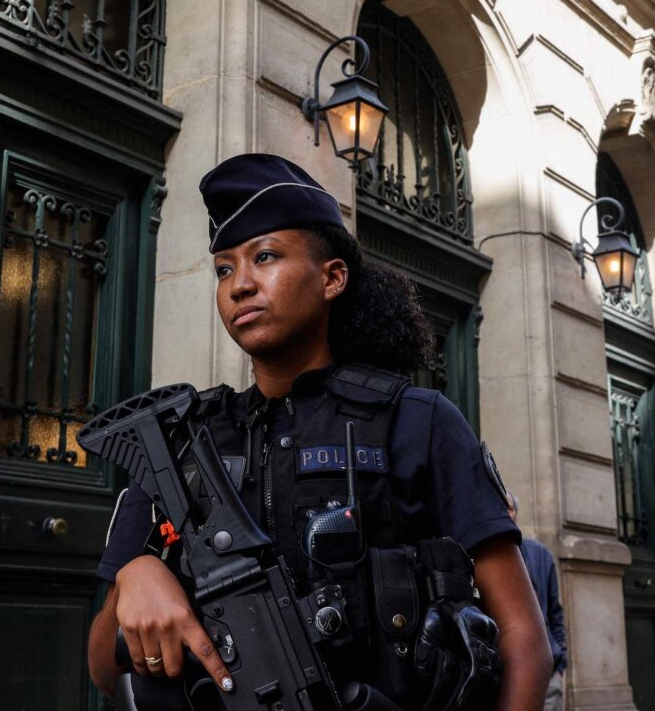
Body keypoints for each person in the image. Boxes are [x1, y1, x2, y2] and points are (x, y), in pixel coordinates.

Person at [87, 154, 551, 710]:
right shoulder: (181, 444)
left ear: (332, 277)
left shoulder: (416, 421)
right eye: (224, 269)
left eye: (265, 257)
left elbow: (524, 640)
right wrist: (134, 578)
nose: (240, 285)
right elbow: (100, 665)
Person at [506, 493, 568, 711]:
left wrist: (560, 664)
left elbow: (555, 614)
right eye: (500, 507)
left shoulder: (540, 554)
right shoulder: (482, 557)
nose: (506, 512)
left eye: (510, 507)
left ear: (516, 513)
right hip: (508, 678)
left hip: (548, 677)